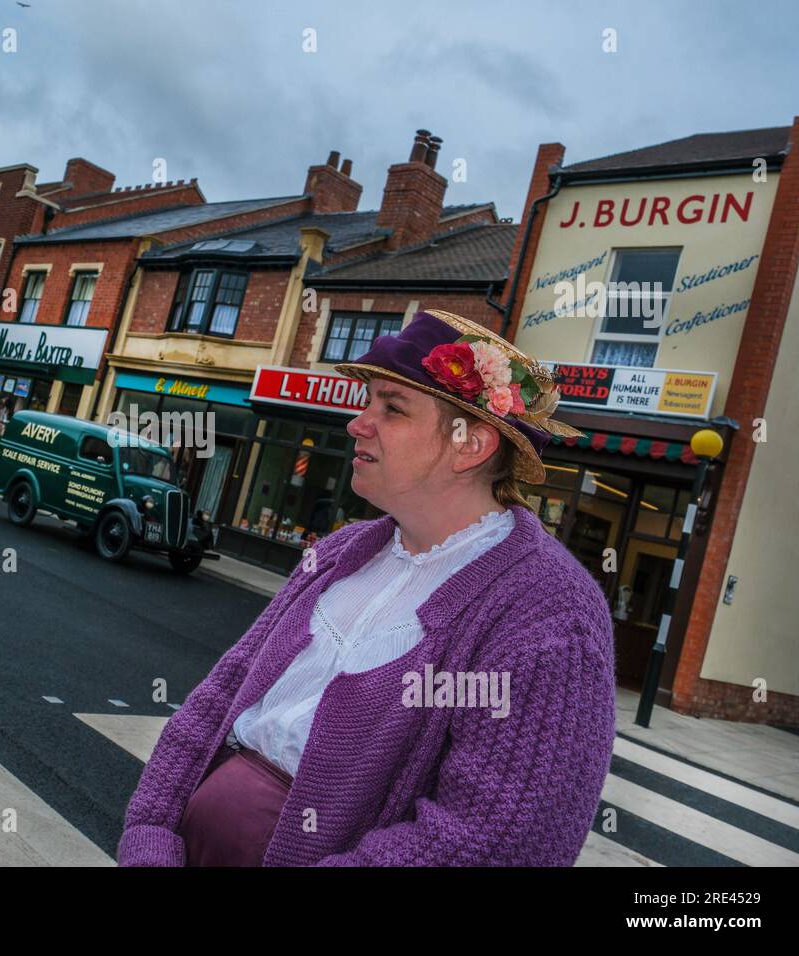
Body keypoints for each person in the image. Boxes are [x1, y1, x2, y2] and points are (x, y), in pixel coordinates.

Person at [117, 309, 617, 867]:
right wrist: (151, 832)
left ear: (470, 445)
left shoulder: (549, 612)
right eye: (367, 401)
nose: (358, 423)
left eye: (392, 408)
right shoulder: (342, 551)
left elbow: (497, 840)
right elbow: (217, 700)